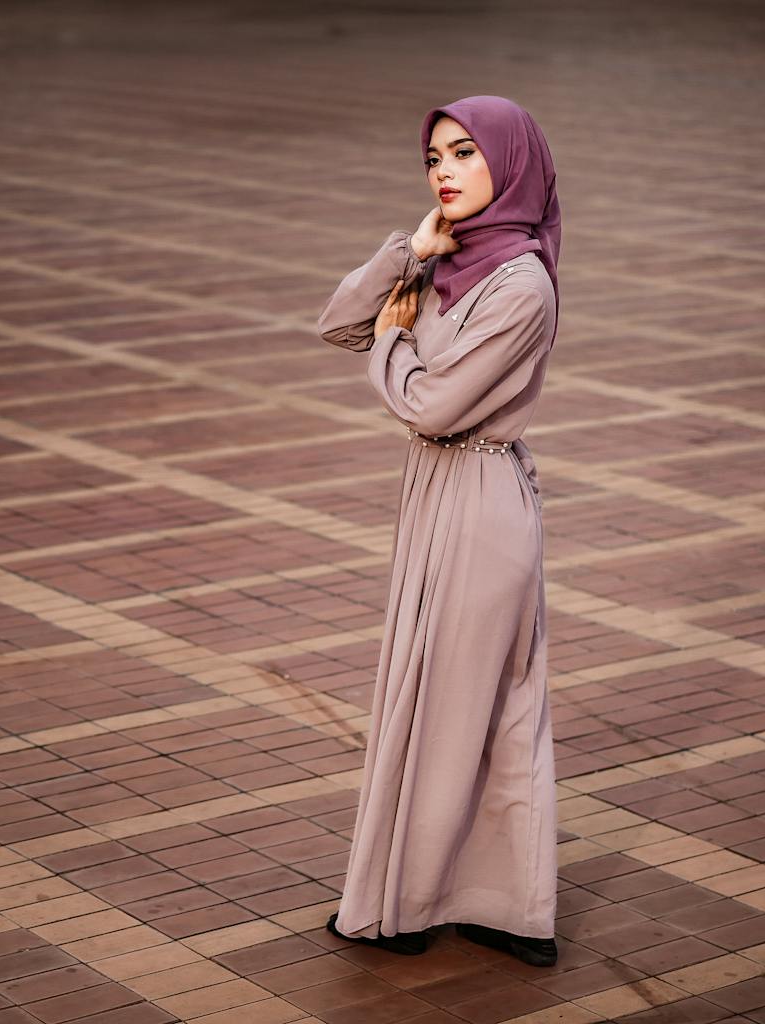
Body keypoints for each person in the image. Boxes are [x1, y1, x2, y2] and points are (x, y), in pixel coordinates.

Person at [314, 95, 562, 965]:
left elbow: (433, 407)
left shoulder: (521, 285)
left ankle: (418, 907)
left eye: (464, 153)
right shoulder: (447, 262)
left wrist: (394, 344)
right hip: (435, 493)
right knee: (443, 702)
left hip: (481, 499)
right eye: (433, 158)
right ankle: (489, 903)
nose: (444, 172)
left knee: (467, 710)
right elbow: (338, 324)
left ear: (511, 163)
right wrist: (409, 254)